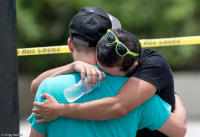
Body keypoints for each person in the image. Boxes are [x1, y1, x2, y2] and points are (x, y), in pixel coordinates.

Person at [30, 7, 186, 137]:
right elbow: (179, 130)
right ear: (106, 44)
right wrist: (175, 96)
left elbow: (36, 86)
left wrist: (61, 108)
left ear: (70, 44)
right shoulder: (140, 95)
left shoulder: (49, 88)